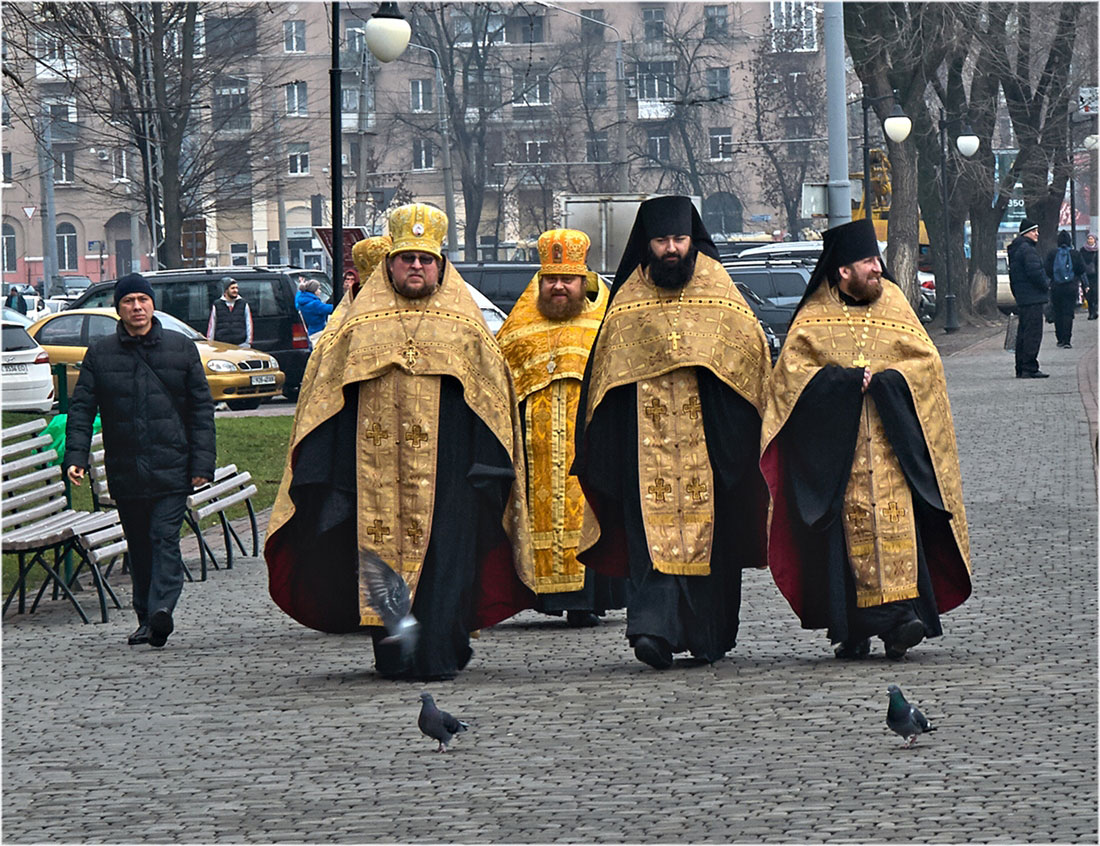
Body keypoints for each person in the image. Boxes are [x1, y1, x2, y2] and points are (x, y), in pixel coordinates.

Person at [264, 203, 535, 681]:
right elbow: (325, 399)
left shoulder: (467, 326)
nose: (416, 266)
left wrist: (488, 468)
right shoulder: (355, 327)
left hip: (451, 473)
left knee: (445, 565)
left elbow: (493, 402)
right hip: (372, 477)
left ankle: (439, 650)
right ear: (389, 263)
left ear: (441, 266)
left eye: (425, 259)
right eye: (406, 257)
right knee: (379, 563)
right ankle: (394, 654)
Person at [572, 196, 772, 669]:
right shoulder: (628, 300)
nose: (671, 249)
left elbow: (749, 361)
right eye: (661, 240)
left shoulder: (718, 289)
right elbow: (606, 378)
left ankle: (707, 635)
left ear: (692, 240)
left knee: (712, 544)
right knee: (649, 543)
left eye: (679, 239)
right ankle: (652, 632)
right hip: (644, 451)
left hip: (711, 445)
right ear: (647, 242)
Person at [760, 218, 973, 661]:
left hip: (895, 453)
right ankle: (857, 627)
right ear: (842, 270)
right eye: (868, 261)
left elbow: (926, 365)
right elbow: (790, 383)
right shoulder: (812, 319)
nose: (879, 268)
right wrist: (843, 383)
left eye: (877, 260)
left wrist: (889, 380)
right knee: (845, 545)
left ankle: (901, 620)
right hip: (840, 459)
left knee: (899, 529)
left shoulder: (894, 303)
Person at [63, 273, 215, 648]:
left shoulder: (181, 348)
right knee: (140, 545)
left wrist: (201, 466)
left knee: (164, 538)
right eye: (128, 301)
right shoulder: (100, 353)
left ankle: (162, 609)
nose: (137, 307)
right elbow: (82, 408)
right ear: (118, 309)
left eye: (142, 300)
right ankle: (146, 618)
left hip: (172, 466)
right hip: (126, 468)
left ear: (152, 305)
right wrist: (76, 456)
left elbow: (201, 411)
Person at [496, 228, 626, 628]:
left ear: (582, 281)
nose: (558, 287)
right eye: (550, 279)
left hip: (587, 444)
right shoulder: (518, 329)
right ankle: (542, 596)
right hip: (533, 452)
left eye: (566, 280)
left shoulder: (606, 323)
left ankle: (586, 600)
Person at [1007, 219, 1050, 378]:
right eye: (1034, 231)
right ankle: (1030, 367)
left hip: (1023, 297)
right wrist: (1046, 284)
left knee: (1023, 333)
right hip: (1032, 297)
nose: (1037, 234)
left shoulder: (1017, 249)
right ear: (1026, 233)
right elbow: (1035, 273)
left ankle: (1021, 366)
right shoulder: (1028, 250)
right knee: (1033, 333)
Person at [1044, 230, 1086, 349]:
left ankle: (1060, 338)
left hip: (1056, 287)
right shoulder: (1075, 254)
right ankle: (1067, 339)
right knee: (1068, 313)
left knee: (1058, 312)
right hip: (1071, 287)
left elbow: (1047, 270)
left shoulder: (1052, 254)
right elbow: (1081, 269)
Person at [206, 276, 253, 347]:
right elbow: (212, 325)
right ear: (226, 290)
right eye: (232, 288)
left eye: (237, 288)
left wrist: (248, 342)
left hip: (240, 344)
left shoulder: (243, 303)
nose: (235, 290)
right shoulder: (217, 304)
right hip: (222, 345)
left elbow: (248, 323)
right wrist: (210, 342)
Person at [1081, 233, 1098, 320]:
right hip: (1086, 275)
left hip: (1095, 275)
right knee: (1088, 294)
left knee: (1095, 294)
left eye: (1091, 239)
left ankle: (1093, 311)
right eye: (1089, 239)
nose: (1090, 240)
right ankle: (1091, 311)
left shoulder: (1097, 250)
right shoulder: (1083, 250)